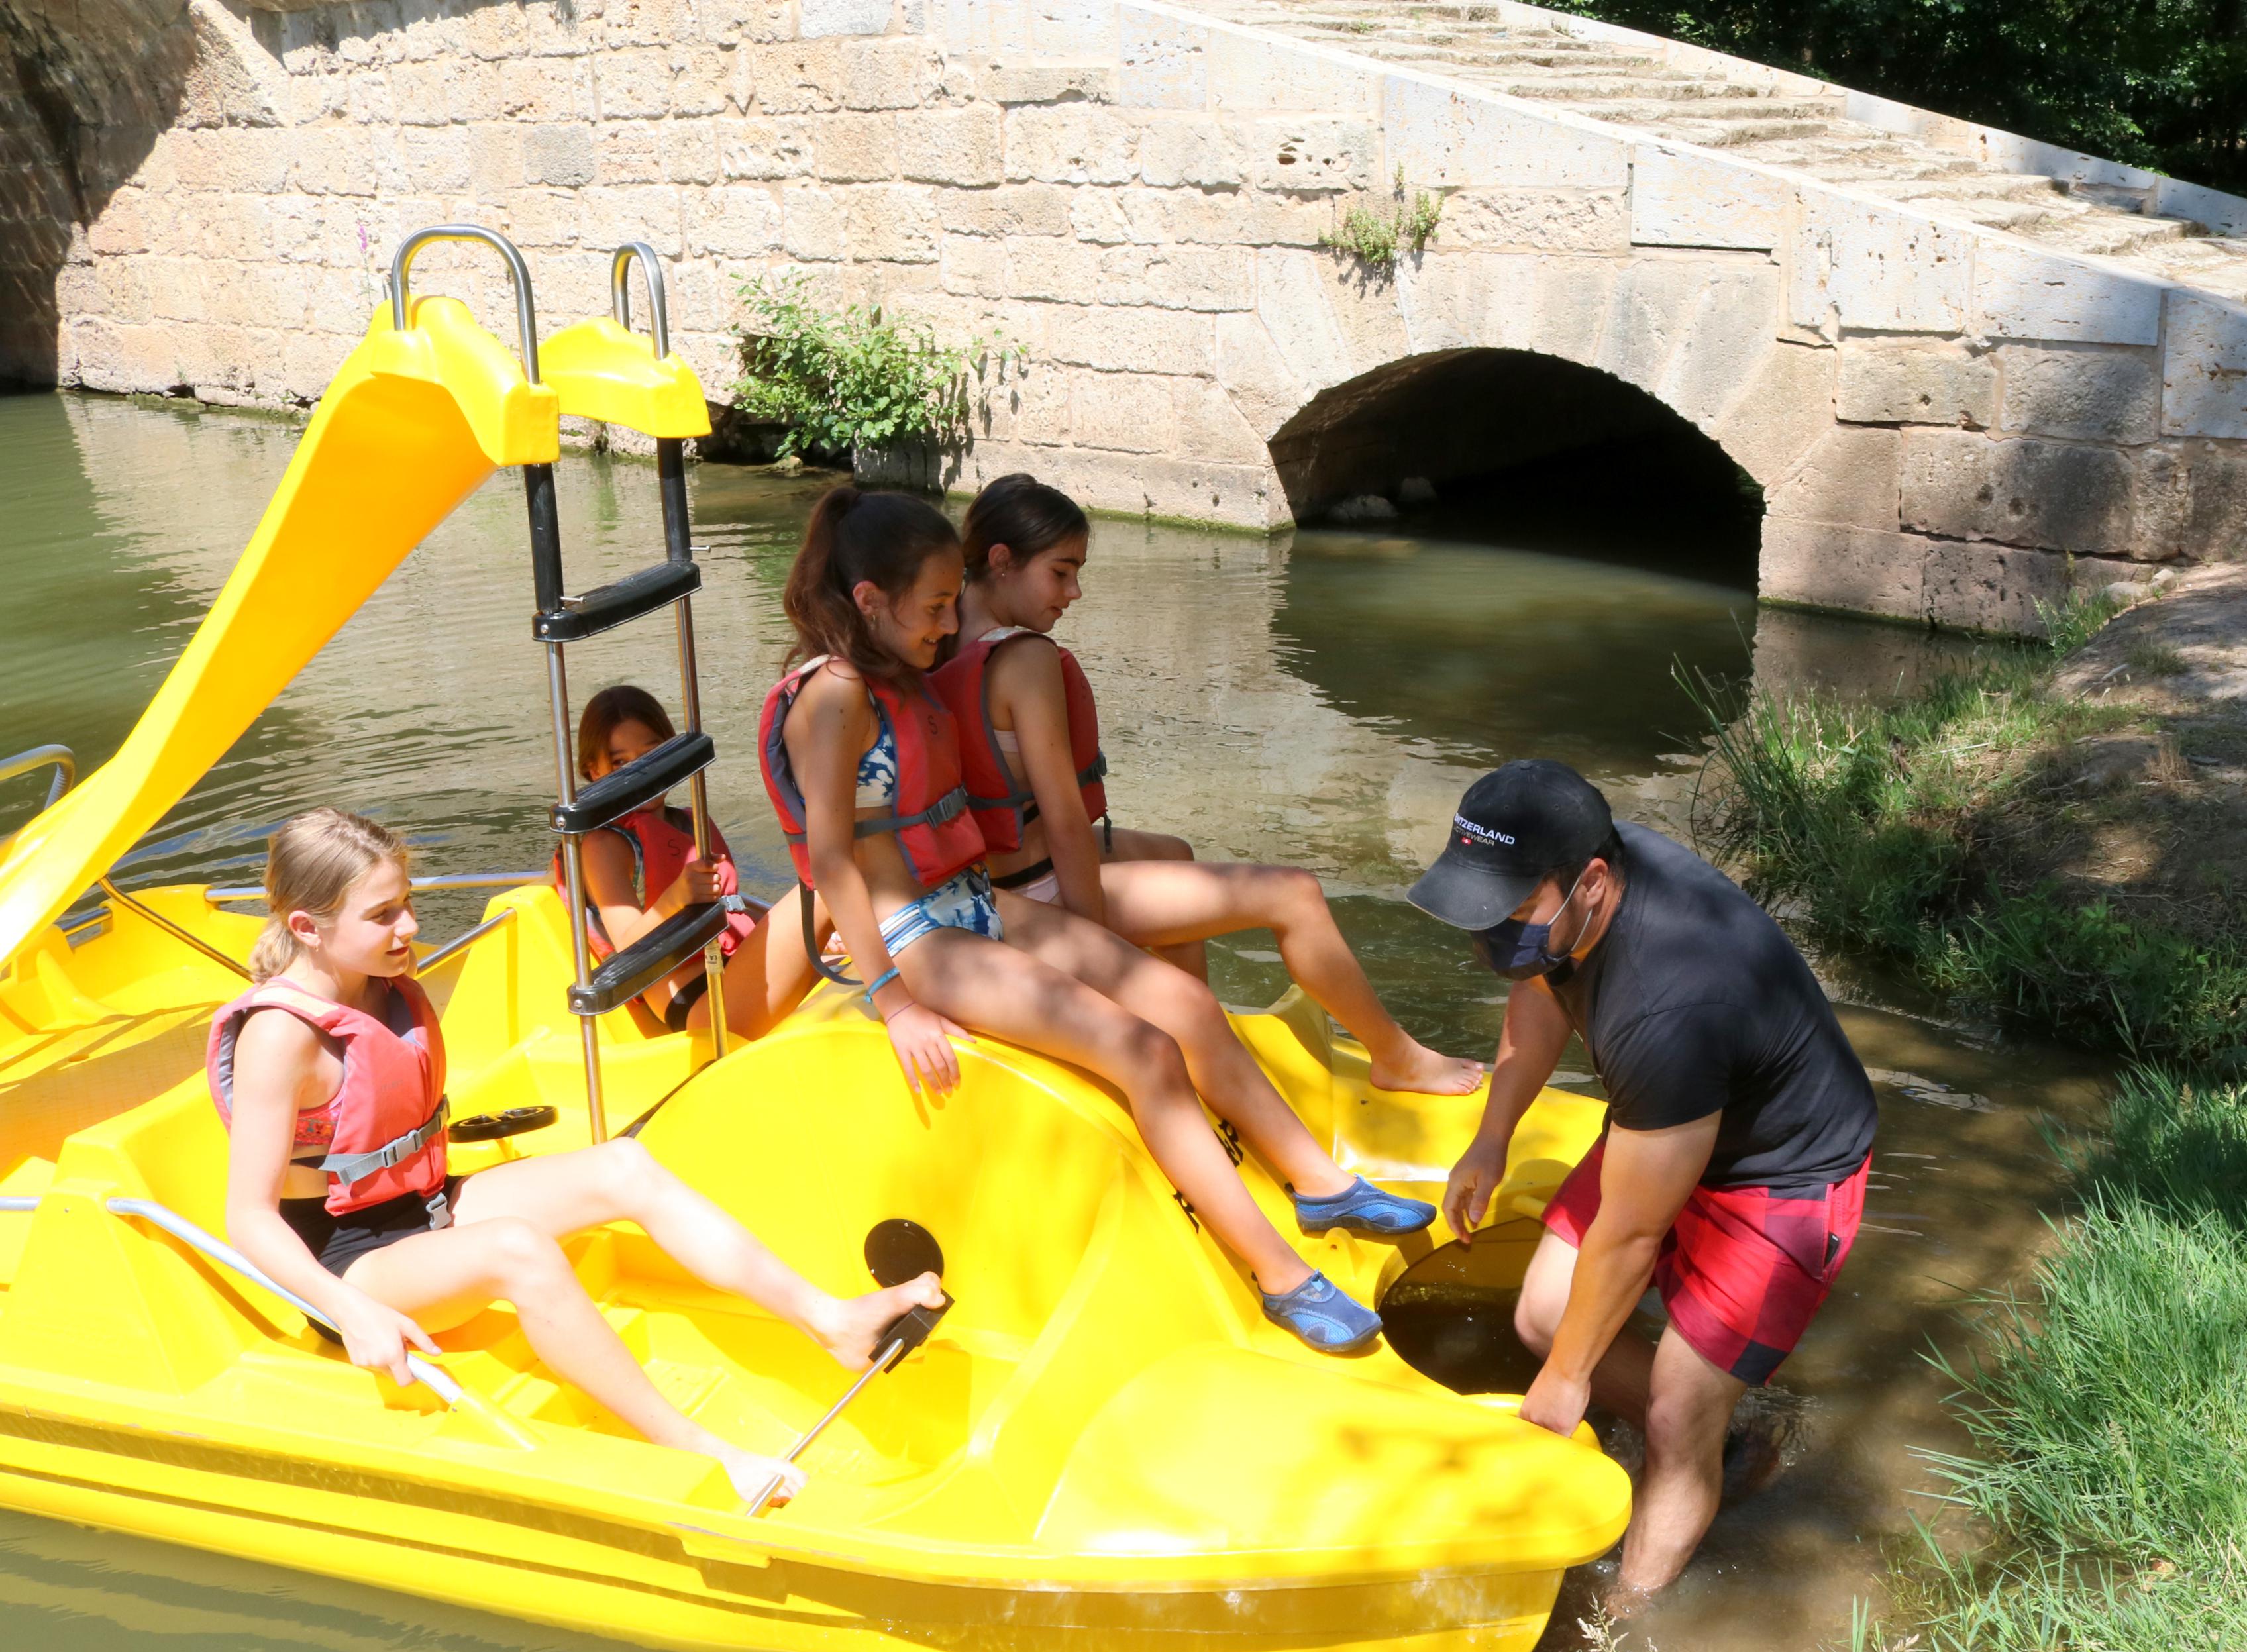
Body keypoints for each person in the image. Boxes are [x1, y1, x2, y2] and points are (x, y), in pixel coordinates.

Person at [757, 486, 1439, 1353]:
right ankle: (1281, 1274)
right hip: (914, 937)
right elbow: (828, 860)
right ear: (868, 601)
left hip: (970, 899)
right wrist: (894, 1000)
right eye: (933, 607)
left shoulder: (896, 675)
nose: (945, 623)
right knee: (1142, 1049)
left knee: (1185, 1007)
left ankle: (1317, 1181)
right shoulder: (834, 697)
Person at [211, 807, 943, 1506]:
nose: (409, 925)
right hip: (346, 1263)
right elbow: (248, 1216)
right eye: (382, 915)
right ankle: (698, 1449)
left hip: (424, 1208)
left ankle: (831, 1321)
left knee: (622, 1167)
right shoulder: (280, 1035)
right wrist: (350, 1310)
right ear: (307, 927)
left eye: (405, 901)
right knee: (517, 1250)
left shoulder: (374, 986)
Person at [1410, 761, 1876, 1594]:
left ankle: (1628, 1626)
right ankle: (1726, 1447)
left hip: (1779, 1176)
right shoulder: (1579, 890)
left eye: (1509, 910)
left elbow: (1629, 1236)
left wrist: (1564, 1385)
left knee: (1671, 1410)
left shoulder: (1670, 1002)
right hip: (1673, 1121)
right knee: (1545, 1316)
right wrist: (1491, 1138)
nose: (1490, 934)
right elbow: (1540, 986)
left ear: (1589, 882)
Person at [931, 474, 1481, 1096]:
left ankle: (1201, 1040)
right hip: (1037, 889)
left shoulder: (933, 637)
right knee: (1294, 894)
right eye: (1061, 572)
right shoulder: (1023, 660)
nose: (1075, 592)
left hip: (987, 880)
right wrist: (1094, 949)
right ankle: (1393, 1056)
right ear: (1001, 562)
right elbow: (1063, 820)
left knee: (1174, 852)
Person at [555, 683, 807, 1039]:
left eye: (652, 754)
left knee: (821, 903)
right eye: (620, 763)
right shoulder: (605, 845)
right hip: (700, 1005)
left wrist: (809, 935)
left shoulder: (688, 823)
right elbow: (629, 946)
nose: (639, 773)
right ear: (593, 771)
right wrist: (676, 896)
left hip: (734, 974)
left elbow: (731, 906)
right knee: (826, 882)